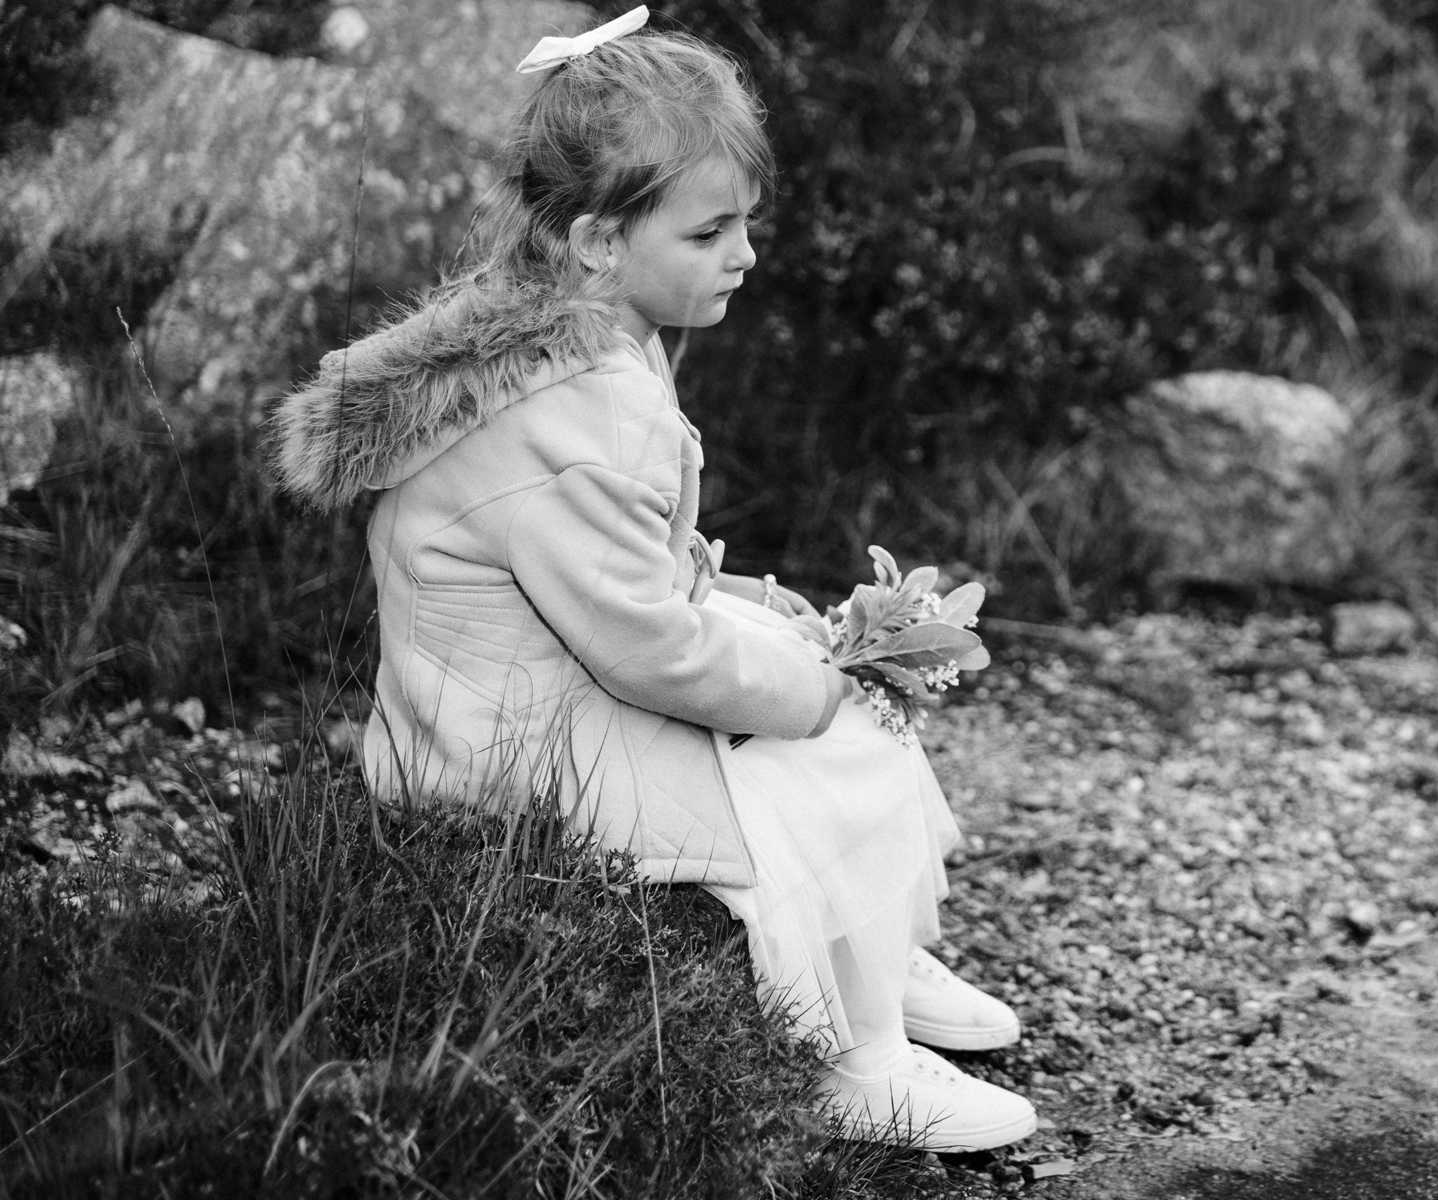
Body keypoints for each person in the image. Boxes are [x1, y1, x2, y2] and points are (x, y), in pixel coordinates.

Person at [271, 6, 1037, 1152]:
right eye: (712, 231)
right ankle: (853, 1055)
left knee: (835, 690)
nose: (746, 254)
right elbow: (643, 646)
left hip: (516, 695)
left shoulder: (578, 334)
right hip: (507, 752)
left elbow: (633, 575)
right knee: (831, 748)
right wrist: (810, 689)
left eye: (748, 223)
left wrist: (751, 604)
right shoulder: (576, 410)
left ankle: (870, 946)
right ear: (595, 241)